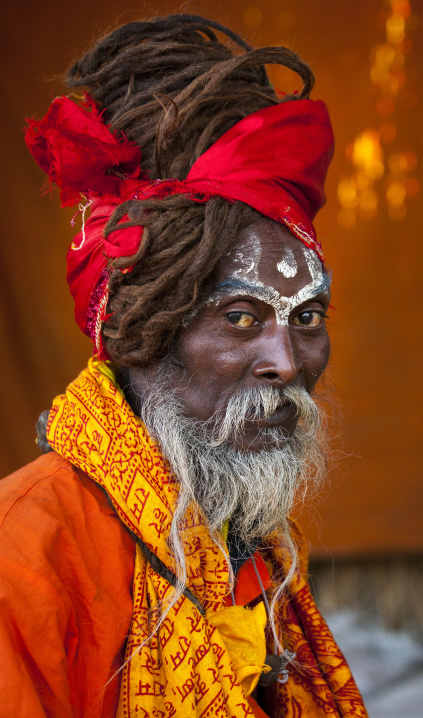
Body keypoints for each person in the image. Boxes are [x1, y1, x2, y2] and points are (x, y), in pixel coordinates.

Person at [0, 14, 368, 718]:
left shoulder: (243, 537)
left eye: (308, 319)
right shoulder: (23, 557)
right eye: (240, 319)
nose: (287, 364)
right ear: (144, 334)